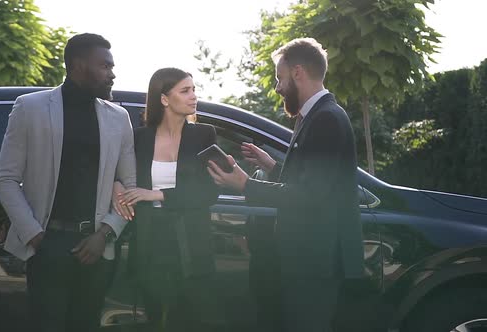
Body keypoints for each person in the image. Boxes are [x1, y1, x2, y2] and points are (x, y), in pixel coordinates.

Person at [207, 37, 364, 332]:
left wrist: (245, 185)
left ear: (298, 73)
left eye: (280, 78)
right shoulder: (315, 116)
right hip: (311, 259)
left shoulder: (325, 119)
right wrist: (272, 166)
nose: (278, 87)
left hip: (317, 261)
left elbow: (309, 196)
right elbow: (312, 181)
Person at [0, 33, 136, 332]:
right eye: (105, 66)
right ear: (78, 64)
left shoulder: (119, 117)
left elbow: (129, 184)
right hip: (48, 243)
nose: (113, 74)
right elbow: (6, 179)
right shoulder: (30, 107)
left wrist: (106, 233)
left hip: (97, 245)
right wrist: (35, 236)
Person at [113, 68, 219, 332]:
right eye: (185, 91)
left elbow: (210, 192)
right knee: (152, 319)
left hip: (190, 241)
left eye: (194, 89)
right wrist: (116, 187)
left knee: (187, 320)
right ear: (164, 98)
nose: (194, 96)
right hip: (149, 239)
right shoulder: (139, 137)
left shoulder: (204, 134)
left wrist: (157, 194)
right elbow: (115, 172)